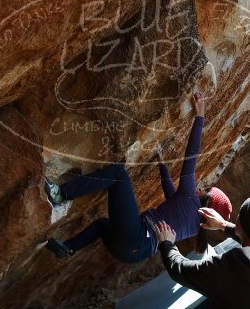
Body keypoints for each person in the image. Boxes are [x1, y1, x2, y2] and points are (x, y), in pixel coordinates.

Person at [44, 91, 232, 263]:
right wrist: (161, 164)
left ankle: (61, 193)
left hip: (137, 236)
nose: (201, 187)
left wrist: (200, 115)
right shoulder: (193, 226)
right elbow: (171, 195)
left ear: (207, 205)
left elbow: (191, 156)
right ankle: (68, 248)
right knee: (102, 225)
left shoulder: (191, 201)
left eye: (206, 190)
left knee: (119, 175)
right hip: (133, 253)